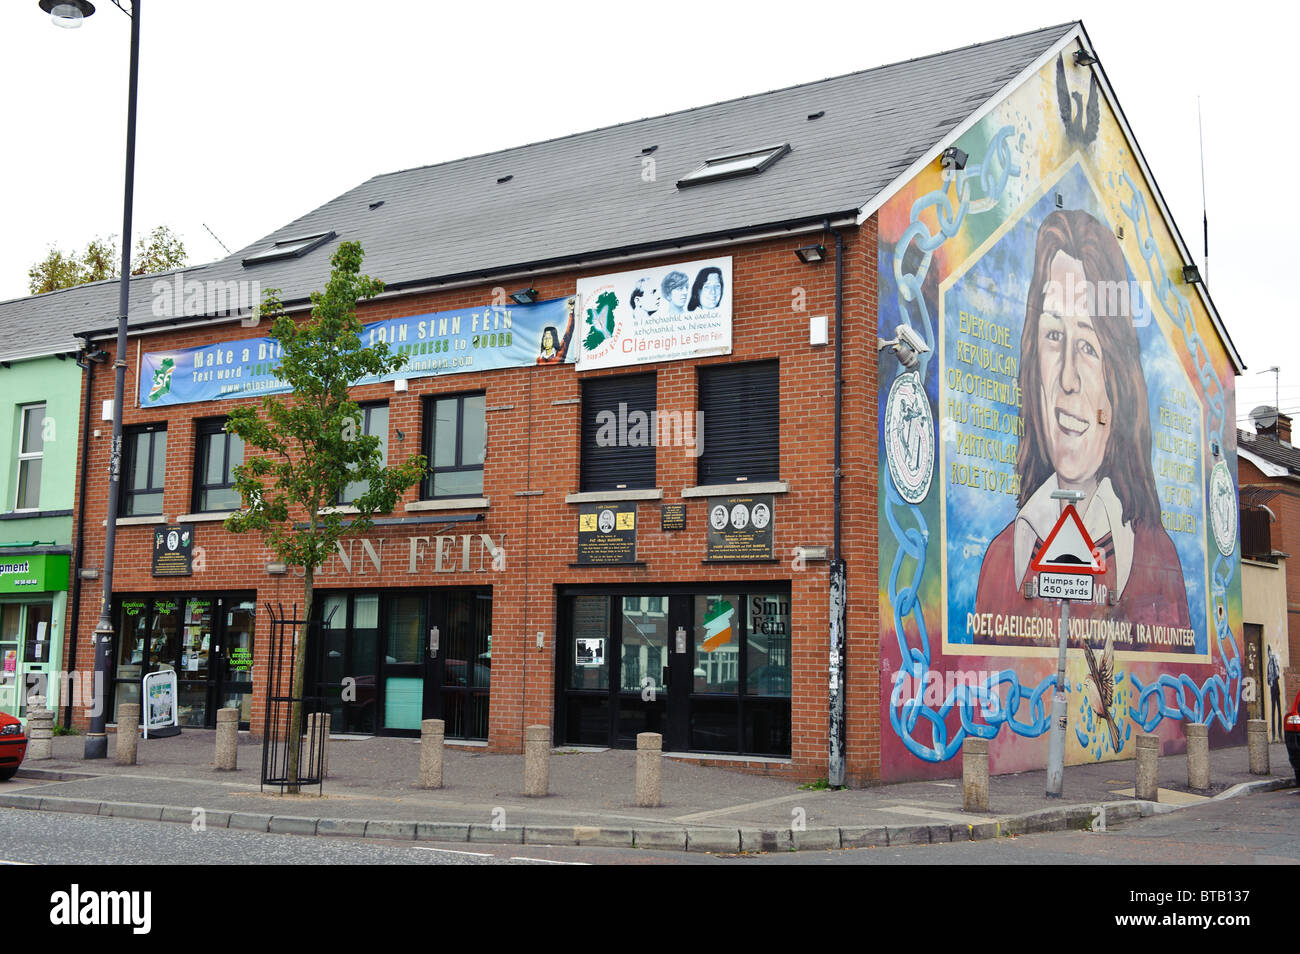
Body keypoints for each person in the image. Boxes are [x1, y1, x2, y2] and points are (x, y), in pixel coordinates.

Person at [975, 209, 1190, 636]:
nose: (1068, 379)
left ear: (1120, 378)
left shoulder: (1155, 559)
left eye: (1089, 347)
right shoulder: (1004, 560)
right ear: (1033, 357)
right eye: (1054, 336)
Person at [536, 297, 575, 365]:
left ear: (554, 339)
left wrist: (571, 312)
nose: (546, 341)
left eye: (549, 338)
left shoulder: (559, 353)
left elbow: (568, 334)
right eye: (545, 338)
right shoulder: (539, 359)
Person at [1267, 645, 1282, 741]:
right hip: (1273, 688)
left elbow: (1278, 674)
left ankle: (1279, 734)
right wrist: (1270, 680)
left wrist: (1272, 679)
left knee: (1278, 710)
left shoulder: (1274, 662)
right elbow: (1267, 679)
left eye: (1269, 652)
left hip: (1276, 687)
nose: (1269, 654)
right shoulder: (1269, 664)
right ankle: (1273, 735)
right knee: (1273, 711)